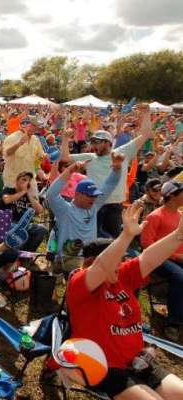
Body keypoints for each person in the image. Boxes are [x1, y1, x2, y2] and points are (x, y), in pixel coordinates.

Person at [65, 203, 183, 399]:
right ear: (90, 262)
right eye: (118, 259)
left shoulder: (121, 276)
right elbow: (102, 265)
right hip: (105, 367)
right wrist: (126, 235)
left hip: (139, 362)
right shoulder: (80, 284)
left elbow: (149, 258)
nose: (122, 264)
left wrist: (178, 235)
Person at [61, 104, 154, 238]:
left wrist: (146, 114)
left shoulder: (123, 152)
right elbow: (65, 158)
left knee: (112, 239)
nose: (93, 145)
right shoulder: (90, 157)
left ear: (108, 143)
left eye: (97, 141)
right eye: (92, 141)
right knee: (92, 239)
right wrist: (65, 139)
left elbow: (145, 134)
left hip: (114, 207)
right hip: (93, 205)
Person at [47, 155, 123, 271]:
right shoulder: (64, 210)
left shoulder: (93, 206)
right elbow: (51, 194)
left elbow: (109, 185)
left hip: (89, 258)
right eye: (90, 195)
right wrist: (70, 170)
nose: (93, 198)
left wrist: (117, 169)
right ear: (77, 194)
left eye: (95, 195)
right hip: (68, 259)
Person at [140, 181, 183, 340]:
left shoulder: (180, 216)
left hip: (176, 258)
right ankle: (173, 323)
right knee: (180, 276)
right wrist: (176, 256)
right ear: (172, 195)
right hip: (158, 259)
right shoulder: (155, 216)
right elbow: (146, 244)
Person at [0, 171, 47, 252]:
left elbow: (40, 210)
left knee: (41, 229)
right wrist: (22, 192)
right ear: (17, 181)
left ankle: (26, 253)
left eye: (28, 181)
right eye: (24, 179)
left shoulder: (29, 195)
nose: (26, 182)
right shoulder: (8, 190)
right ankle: (15, 252)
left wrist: (28, 193)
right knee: (16, 229)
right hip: (9, 222)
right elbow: (6, 200)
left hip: (25, 225)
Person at [1, 117, 44, 195]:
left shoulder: (35, 139)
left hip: (30, 181)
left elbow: (39, 157)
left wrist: (42, 158)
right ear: (25, 125)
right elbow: (7, 153)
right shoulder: (12, 138)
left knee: (34, 201)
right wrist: (19, 144)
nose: (37, 128)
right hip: (13, 181)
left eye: (37, 126)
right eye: (34, 126)